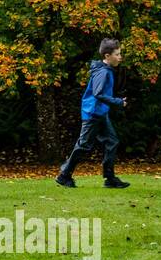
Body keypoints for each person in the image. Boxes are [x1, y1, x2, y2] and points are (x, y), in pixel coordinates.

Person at [56, 38, 131, 189]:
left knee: (112, 142)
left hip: (100, 113)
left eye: (120, 53)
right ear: (107, 56)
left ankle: (109, 179)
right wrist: (117, 102)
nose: (120, 57)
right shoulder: (103, 73)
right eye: (117, 54)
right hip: (93, 114)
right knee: (84, 145)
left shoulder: (107, 70)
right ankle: (64, 175)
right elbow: (98, 93)